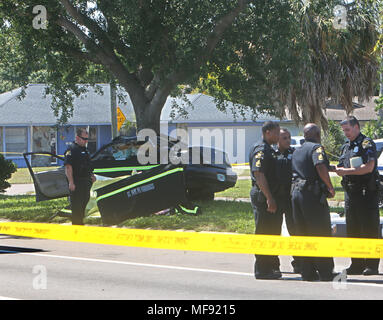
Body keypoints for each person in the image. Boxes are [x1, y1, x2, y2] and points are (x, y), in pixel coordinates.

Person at [291, 123, 339, 281]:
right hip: (311, 196)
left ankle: (307, 272)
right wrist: (329, 186)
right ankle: (326, 272)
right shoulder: (316, 148)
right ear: (318, 135)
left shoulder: (297, 150)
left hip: (296, 194)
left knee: (303, 233)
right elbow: (319, 166)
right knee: (320, 232)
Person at [335, 116, 381, 276]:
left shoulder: (366, 143)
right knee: (353, 229)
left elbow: (369, 167)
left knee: (369, 229)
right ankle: (356, 263)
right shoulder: (345, 147)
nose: (346, 133)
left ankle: (372, 265)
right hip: (351, 193)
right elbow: (342, 165)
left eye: (348, 129)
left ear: (356, 127)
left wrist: (347, 171)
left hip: (366, 193)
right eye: (344, 131)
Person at [249, 121, 282, 279]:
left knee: (272, 231)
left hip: (270, 196)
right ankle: (262, 269)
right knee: (264, 231)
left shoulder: (270, 149)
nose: (278, 135)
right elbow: (259, 174)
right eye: (276, 132)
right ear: (268, 132)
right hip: (263, 197)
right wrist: (269, 198)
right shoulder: (261, 149)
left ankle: (270, 266)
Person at [275, 128, 300, 273]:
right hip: (278, 197)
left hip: (291, 197)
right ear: (277, 139)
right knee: (274, 230)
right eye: (284, 138)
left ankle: (299, 261)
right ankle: (273, 263)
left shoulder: (294, 154)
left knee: (295, 230)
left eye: (289, 137)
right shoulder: (272, 155)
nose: (288, 140)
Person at [64, 128, 96, 225]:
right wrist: (71, 182)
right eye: (84, 139)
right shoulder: (71, 150)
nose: (86, 141)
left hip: (86, 181)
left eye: (87, 139)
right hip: (76, 182)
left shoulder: (85, 150)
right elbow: (68, 167)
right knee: (77, 205)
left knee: (84, 203)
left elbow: (87, 165)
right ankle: (76, 225)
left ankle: (80, 223)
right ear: (77, 138)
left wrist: (92, 175)